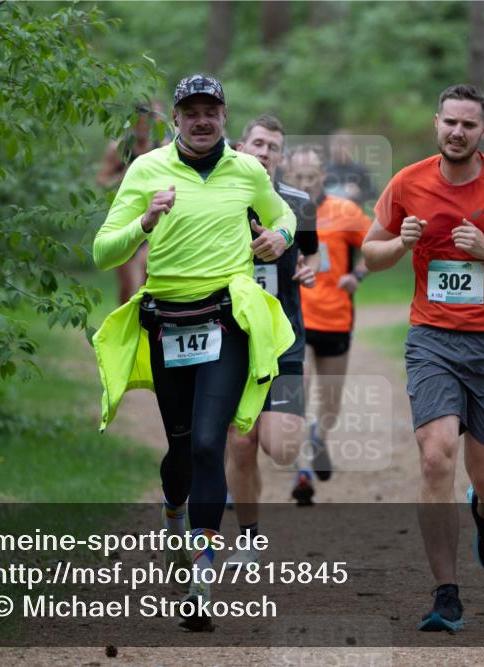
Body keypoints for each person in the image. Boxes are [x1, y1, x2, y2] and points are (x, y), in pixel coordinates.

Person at [91, 75, 297, 631]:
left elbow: (283, 215)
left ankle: (201, 572)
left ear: (225, 115)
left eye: (211, 110)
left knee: (211, 441)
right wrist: (144, 221)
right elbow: (104, 251)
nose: (202, 119)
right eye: (191, 111)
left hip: (225, 317)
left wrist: (279, 237)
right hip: (168, 321)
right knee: (180, 447)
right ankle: (173, 515)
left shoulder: (247, 170)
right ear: (176, 119)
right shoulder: (146, 169)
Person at [361, 84, 484, 632]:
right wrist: (400, 243)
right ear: (436, 124)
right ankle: (446, 594)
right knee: (435, 456)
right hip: (433, 339)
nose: (457, 132)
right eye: (450, 122)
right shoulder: (408, 182)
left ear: (483, 132)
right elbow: (371, 254)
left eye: (468, 125)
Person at [224, 115, 319, 566]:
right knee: (240, 444)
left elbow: (313, 251)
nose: (264, 153)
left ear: (282, 156)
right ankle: (248, 537)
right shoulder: (219, 200)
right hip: (232, 337)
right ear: (240, 147)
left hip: (286, 340)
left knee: (278, 447)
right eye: (258, 144)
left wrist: (310, 268)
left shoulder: (298, 203)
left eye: (273, 147)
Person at [288, 145, 373, 504]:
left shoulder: (345, 211)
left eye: (312, 177)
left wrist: (357, 274)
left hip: (336, 316)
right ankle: (301, 471)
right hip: (297, 317)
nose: (306, 184)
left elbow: (376, 246)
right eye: (299, 177)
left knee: (331, 404)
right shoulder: (279, 210)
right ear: (288, 176)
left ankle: (318, 436)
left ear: (324, 176)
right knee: (299, 388)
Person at [95, 100, 170, 304]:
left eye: (147, 123)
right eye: (139, 124)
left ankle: (143, 326)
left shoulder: (161, 148)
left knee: (146, 281)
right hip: (126, 220)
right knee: (128, 285)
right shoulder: (120, 147)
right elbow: (101, 180)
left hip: (154, 221)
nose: (143, 128)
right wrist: (121, 178)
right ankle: (122, 326)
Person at [325, 129, 376, 206]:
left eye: (344, 144)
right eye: (336, 144)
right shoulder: (324, 169)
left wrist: (358, 194)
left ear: (352, 146)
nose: (339, 148)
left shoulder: (361, 170)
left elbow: (373, 195)